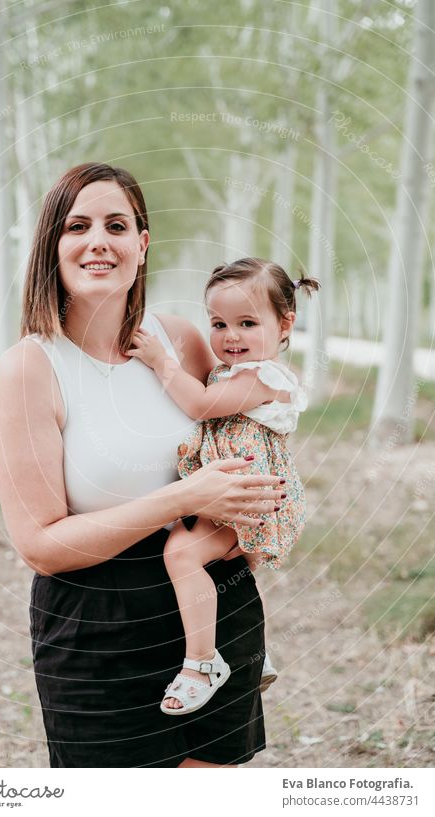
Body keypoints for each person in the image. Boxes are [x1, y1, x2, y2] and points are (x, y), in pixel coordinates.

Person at [0, 163, 285, 768]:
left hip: (215, 606)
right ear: (53, 245)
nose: (98, 240)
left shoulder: (179, 340)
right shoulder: (30, 368)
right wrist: (183, 499)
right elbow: (40, 545)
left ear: (141, 243)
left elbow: (246, 425)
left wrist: (262, 513)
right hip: (96, 626)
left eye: (116, 225)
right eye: (78, 225)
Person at [127, 258, 319, 714]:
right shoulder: (238, 369)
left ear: (285, 323)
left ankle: (202, 663)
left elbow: (202, 406)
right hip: (235, 494)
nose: (230, 336)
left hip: (251, 497)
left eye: (247, 323)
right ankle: (250, 651)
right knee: (223, 574)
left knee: (181, 553)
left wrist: (161, 361)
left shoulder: (262, 377)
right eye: (218, 323)